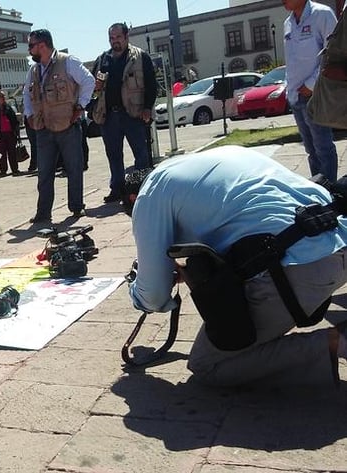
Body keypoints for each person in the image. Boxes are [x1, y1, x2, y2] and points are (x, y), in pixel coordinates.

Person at [128, 146, 347, 386]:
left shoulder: (150, 194)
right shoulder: (222, 155)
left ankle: (337, 341)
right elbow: (246, 223)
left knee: (208, 364)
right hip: (336, 236)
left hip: (304, 263)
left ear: (131, 199)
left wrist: (136, 289)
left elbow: (153, 295)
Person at [23, 29, 95, 223]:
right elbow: (26, 94)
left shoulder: (68, 62)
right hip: (43, 128)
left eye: (31, 45)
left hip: (68, 125)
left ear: (42, 45)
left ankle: (76, 207)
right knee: (44, 173)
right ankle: (43, 213)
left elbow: (89, 81)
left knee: (74, 168)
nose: (29, 50)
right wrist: (28, 114)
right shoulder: (34, 70)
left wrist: (80, 106)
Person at [91, 22, 158, 205]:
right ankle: (118, 189)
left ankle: (140, 188)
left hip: (133, 114)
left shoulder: (140, 57)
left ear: (127, 37)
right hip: (109, 116)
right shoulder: (103, 59)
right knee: (114, 155)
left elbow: (152, 85)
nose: (115, 42)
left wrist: (147, 108)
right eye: (112, 38)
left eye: (118, 37)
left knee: (141, 154)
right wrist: (95, 91)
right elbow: (93, 90)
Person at [284, 0, 338, 182]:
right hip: (295, 96)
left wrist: (311, 85)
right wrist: (289, 89)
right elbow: (291, 60)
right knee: (310, 151)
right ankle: (318, 189)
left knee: (323, 147)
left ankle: (330, 194)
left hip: (315, 95)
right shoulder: (287, 23)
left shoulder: (322, 14)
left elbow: (333, 54)